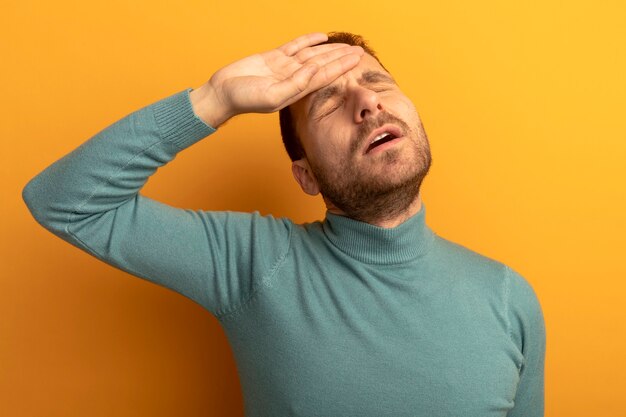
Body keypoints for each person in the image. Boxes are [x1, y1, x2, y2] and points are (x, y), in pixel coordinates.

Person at [22, 32, 546, 416]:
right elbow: (64, 202)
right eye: (330, 103)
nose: (367, 103)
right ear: (306, 176)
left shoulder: (507, 296)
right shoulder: (255, 261)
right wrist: (215, 100)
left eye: (376, 82)